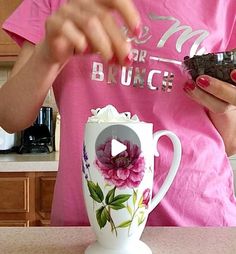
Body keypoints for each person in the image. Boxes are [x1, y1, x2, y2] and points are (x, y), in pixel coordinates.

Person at [0, 0, 236, 226]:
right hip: (90, 222)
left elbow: (230, 141)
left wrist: (223, 105)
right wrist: (47, 56)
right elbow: (10, 117)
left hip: (197, 221)